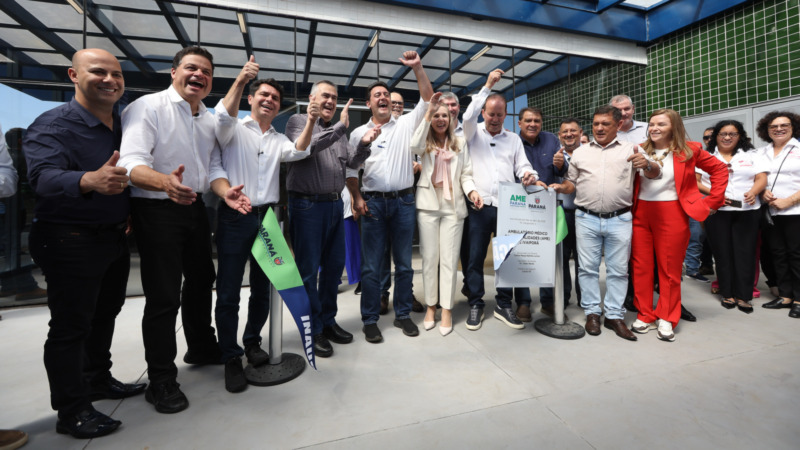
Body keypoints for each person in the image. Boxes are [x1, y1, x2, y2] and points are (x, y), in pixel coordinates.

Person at [24, 48, 145, 438]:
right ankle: (72, 410)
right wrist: (88, 179)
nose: (110, 80)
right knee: (70, 327)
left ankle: (97, 379)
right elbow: (41, 178)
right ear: (73, 75)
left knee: (104, 314)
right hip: (69, 238)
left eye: (116, 74)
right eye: (98, 72)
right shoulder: (53, 124)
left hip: (113, 237)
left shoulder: (123, 125)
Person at [119, 46, 220, 414]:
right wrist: (165, 183)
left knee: (201, 280)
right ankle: (161, 378)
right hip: (156, 209)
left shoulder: (208, 118)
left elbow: (213, 166)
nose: (199, 75)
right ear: (173, 71)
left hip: (195, 207)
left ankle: (202, 347)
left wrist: (223, 190)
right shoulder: (147, 107)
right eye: (191, 68)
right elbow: (130, 163)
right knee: (164, 295)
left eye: (206, 71)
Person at [209, 58, 319, 392]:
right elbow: (223, 115)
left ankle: (252, 342)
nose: (269, 100)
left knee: (263, 289)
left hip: (267, 219)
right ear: (251, 99)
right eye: (264, 95)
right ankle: (231, 356)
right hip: (234, 216)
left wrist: (312, 120)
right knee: (229, 290)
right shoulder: (232, 128)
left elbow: (299, 151)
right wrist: (242, 78)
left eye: (275, 98)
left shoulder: (277, 138)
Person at [550, 105, 660, 342]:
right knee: (587, 269)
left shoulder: (632, 149)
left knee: (618, 271)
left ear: (618, 125)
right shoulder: (581, 153)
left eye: (605, 124)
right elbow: (571, 182)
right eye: (596, 124)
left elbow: (655, 173)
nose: (599, 128)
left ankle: (614, 315)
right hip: (586, 218)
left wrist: (648, 164)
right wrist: (560, 187)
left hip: (620, 218)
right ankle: (592, 313)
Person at [285, 79, 375, 359]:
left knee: (334, 269)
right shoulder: (297, 122)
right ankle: (312, 328)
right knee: (309, 271)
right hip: (307, 206)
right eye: (325, 96)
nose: (330, 101)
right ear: (312, 98)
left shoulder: (339, 132)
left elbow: (351, 163)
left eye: (334, 98)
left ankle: (328, 320)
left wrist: (364, 145)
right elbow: (306, 148)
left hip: (335, 205)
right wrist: (340, 128)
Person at [347, 50, 433, 343]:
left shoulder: (406, 124)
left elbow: (427, 99)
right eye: (377, 95)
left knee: (405, 264)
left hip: (403, 202)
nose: (383, 98)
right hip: (372, 204)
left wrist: (417, 67)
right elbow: (351, 170)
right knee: (372, 266)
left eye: (386, 94)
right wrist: (356, 197)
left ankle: (403, 314)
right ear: (369, 103)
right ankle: (370, 319)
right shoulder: (358, 133)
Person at [630, 109, 727, 342]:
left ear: (674, 127)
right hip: (640, 213)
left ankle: (667, 316)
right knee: (641, 267)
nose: (654, 128)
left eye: (661, 124)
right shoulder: (639, 149)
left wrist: (712, 201)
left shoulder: (690, 150)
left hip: (672, 212)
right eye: (652, 124)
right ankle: (645, 314)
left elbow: (719, 169)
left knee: (669, 268)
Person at [462, 69, 539, 331]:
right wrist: (487, 86)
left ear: (506, 115)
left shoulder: (514, 139)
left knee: (506, 258)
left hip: (508, 207)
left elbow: (523, 165)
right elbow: (467, 116)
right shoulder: (472, 133)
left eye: (499, 114)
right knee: (474, 258)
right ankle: (475, 303)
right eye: (490, 114)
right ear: (483, 112)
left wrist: (528, 175)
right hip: (479, 206)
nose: (495, 119)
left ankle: (504, 304)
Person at [411, 92, 483, 336]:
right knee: (430, 258)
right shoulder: (424, 141)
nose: (441, 119)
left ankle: (447, 309)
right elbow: (413, 147)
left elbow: (466, 174)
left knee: (450, 260)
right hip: (428, 204)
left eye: (445, 115)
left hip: (454, 206)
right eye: (436, 116)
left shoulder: (460, 143)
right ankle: (431, 307)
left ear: (452, 118)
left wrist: (473, 192)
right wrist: (427, 114)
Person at [702, 120, 765, 313]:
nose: (727, 137)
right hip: (717, 212)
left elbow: (761, 177)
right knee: (722, 253)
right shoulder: (706, 156)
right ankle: (727, 293)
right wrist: (716, 195)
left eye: (732, 134)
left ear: (740, 136)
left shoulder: (752, 155)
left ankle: (744, 296)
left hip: (747, 211)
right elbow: (695, 181)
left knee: (745, 254)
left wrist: (754, 191)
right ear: (716, 136)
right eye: (723, 134)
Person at [517, 107, 568, 321]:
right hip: (520, 206)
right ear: (519, 123)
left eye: (537, 120)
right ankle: (523, 302)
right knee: (522, 254)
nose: (532, 124)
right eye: (528, 120)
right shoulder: (513, 141)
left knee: (550, 254)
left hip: (547, 205)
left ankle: (548, 301)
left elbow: (560, 171)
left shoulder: (551, 140)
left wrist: (561, 164)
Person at [757, 111, 800, 318]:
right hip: (771, 212)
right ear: (767, 130)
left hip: (795, 211)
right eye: (773, 126)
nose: (779, 129)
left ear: (793, 128)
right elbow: (757, 178)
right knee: (778, 254)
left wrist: (789, 200)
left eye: (784, 125)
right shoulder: (762, 152)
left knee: (796, 255)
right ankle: (785, 295)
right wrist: (762, 191)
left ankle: (799, 299)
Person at [556, 118, 583, 305]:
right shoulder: (555, 156)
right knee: (562, 257)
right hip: (562, 213)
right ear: (559, 135)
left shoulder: (589, 154)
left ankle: (584, 299)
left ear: (580, 133)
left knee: (584, 260)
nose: (569, 134)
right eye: (565, 132)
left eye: (573, 131)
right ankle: (563, 298)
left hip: (584, 213)